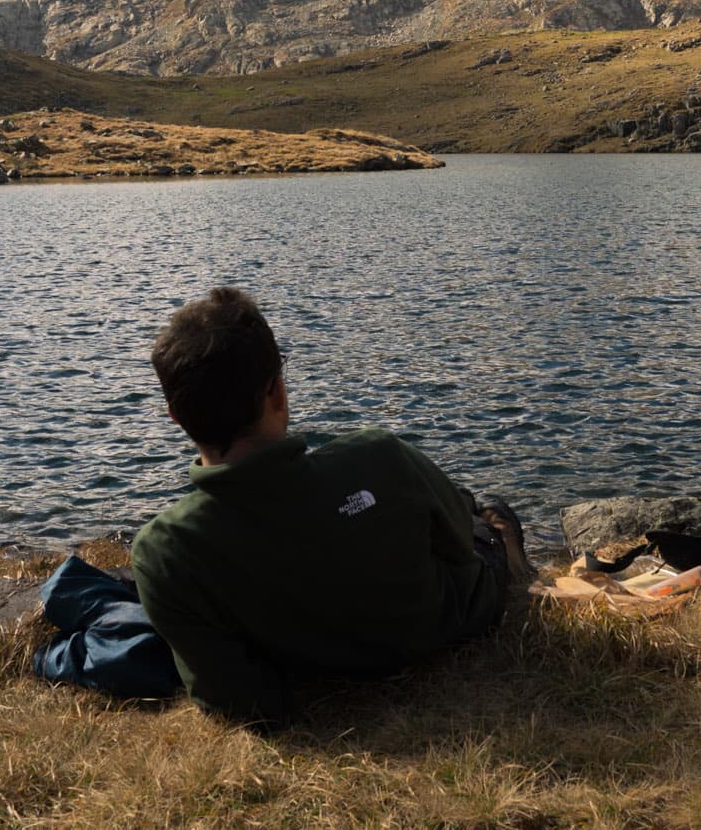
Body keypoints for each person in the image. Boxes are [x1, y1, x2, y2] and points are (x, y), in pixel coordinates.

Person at [130, 286, 528, 727]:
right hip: (448, 627)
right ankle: (511, 548)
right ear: (277, 391)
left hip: (312, 662)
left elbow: (232, 698)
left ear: (175, 415)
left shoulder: (162, 552)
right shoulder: (378, 454)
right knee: (488, 516)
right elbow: (457, 545)